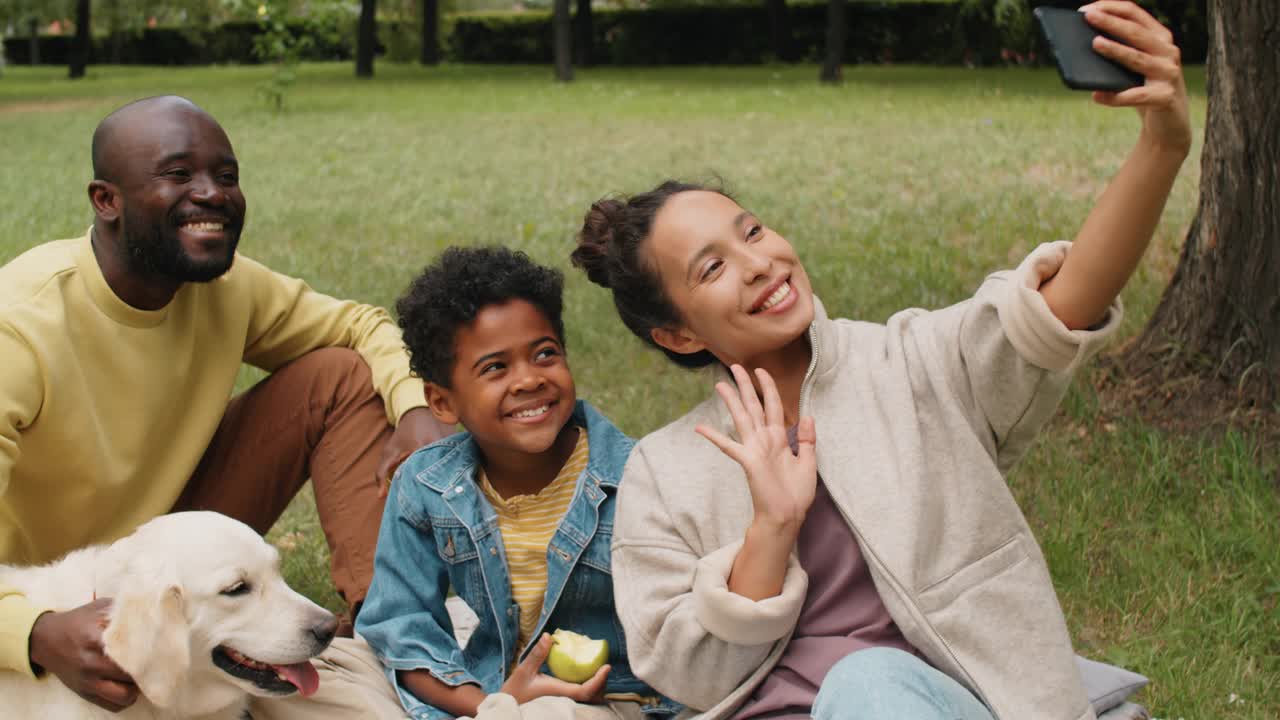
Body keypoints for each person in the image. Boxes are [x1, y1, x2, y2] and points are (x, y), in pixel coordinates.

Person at [568, 3, 1190, 720]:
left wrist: (1162, 144)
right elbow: (685, 674)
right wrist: (772, 527)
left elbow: (1059, 306)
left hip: (946, 704)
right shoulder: (665, 471)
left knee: (868, 685)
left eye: (753, 231)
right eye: (712, 268)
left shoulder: (913, 362)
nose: (761, 264)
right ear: (677, 334)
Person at [0, 95, 451, 714]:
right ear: (106, 200)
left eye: (228, 176)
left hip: (186, 551)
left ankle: (394, 636)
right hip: (54, 589)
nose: (213, 194)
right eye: (179, 175)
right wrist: (32, 633)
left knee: (340, 376)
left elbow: (360, 326)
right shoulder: (18, 329)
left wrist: (414, 410)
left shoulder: (226, 285)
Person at [356, 246, 682, 720]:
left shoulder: (639, 475)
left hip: (613, 702)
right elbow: (401, 629)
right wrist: (490, 705)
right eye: (495, 368)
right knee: (330, 671)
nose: (529, 380)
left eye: (545, 354)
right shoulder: (426, 485)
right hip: (489, 694)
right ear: (442, 403)